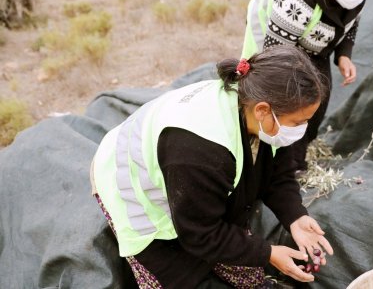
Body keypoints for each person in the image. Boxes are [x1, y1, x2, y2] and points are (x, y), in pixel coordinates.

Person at [90, 45, 333, 288]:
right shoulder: (200, 153)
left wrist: (295, 216)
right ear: (262, 111)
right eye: (298, 122)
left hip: (189, 183)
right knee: (179, 274)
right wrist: (268, 253)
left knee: (246, 272)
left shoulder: (264, 114)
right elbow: (199, 233)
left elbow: (277, 175)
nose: (301, 130)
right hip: (130, 183)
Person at [242, 0, 373, 172]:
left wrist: (344, 55)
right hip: (277, 44)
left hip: (314, 46)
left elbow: (351, 24)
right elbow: (277, 58)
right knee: (287, 100)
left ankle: (298, 152)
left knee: (319, 99)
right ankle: (277, 161)